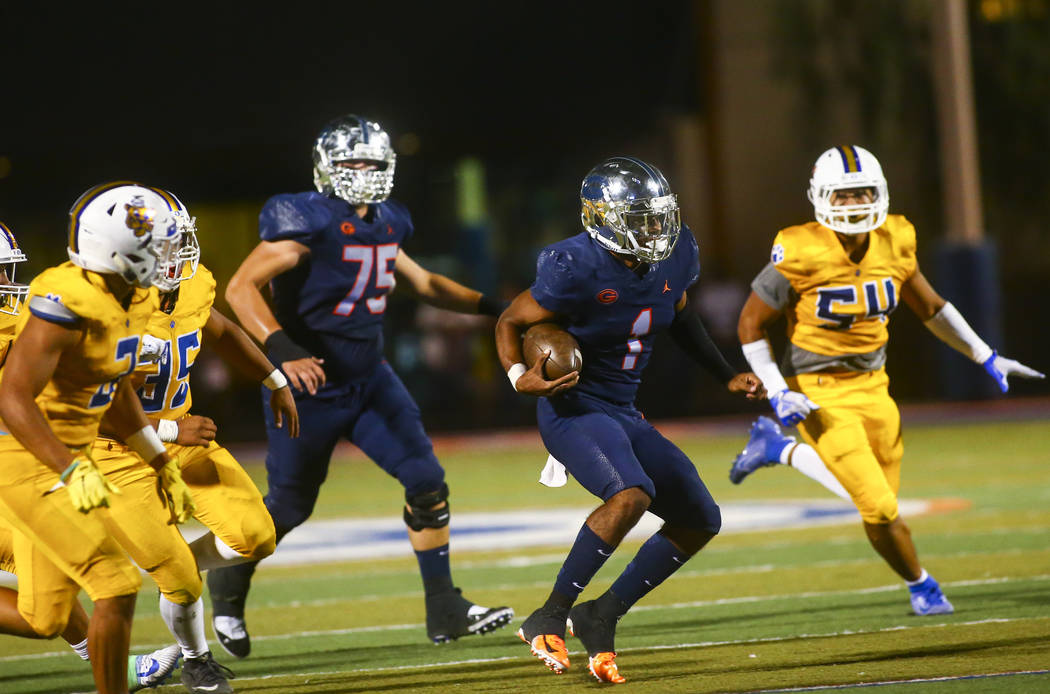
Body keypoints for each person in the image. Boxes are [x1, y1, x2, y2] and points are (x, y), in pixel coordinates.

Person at [206, 114, 513, 656]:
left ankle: (445, 608)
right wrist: (284, 351)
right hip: (307, 386)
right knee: (288, 508)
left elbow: (426, 283)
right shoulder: (306, 217)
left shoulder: (388, 220)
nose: (363, 172)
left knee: (427, 484)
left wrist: (500, 309)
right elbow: (240, 287)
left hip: (371, 380)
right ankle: (229, 585)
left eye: (372, 161)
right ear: (327, 167)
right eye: (352, 162)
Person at [729, 145, 1044, 616]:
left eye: (862, 193)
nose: (854, 205)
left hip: (875, 386)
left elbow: (932, 308)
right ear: (820, 198)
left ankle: (780, 450)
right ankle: (922, 585)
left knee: (878, 499)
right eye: (843, 196)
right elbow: (750, 324)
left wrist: (985, 354)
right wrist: (777, 390)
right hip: (818, 391)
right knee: (879, 508)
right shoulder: (799, 248)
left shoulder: (896, 237)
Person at [495, 157, 762, 683]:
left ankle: (600, 614)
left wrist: (724, 373)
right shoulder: (573, 264)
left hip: (623, 409)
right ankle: (548, 613)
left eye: (658, 216)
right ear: (602, 216)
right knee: (630, 495)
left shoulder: (677, 254)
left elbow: (681, 315)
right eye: (639, 218)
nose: (654, 229)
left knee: (699, 517)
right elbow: (511, 320)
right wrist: (517, 375)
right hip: (571, 405)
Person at [89, 188, 299, 693]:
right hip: (115, 455)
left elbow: (220, 329)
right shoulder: (94, 310)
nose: (176, 252)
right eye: (163, 242)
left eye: (178, 239)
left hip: (181, 444)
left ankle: (160, 558)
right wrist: (167, 429)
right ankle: (196, 659)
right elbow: (83, 406)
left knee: (256, 536)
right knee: (182, 582)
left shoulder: (192, 284)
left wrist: (274, 379)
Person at [0, 183, 192, 694]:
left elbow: (114, 382)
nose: (169, 254)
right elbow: (14, 400)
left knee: (44, 616)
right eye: (158, 243)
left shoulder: (136, 295)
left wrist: (157, 456)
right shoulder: (65, 301)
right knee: (116, 581)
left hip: (66, 457)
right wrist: (69, 468)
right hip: (27, 459)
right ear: (117, 250)